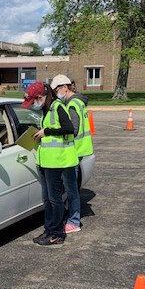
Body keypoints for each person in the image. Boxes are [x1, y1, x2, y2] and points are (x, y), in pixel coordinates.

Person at [22, 80, 78, 245]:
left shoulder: (57, 107)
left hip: (57, 161)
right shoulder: (46, 110)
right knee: (47, 198)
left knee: (55, 199)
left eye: (33, 101)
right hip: (45, 162)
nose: (32, 105)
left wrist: (46, 131)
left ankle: (57, 233)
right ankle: (49, 230)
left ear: (40, 97)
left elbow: (69, 128)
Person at [50, 74, 93, 233]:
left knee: (71, 189)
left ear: (65, 88)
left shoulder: (72, 105)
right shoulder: (78, 102)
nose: (56, 95)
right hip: (79, 150)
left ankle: (73, 221)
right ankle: (70, 217)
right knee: (71, 188)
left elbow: (73, 130)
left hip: (74, 151)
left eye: (56, 91)